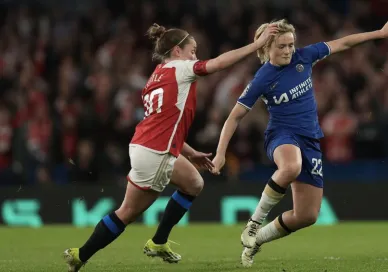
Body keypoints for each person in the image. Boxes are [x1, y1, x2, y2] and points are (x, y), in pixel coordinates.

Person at [63, 22, 279, 271]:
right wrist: (256, 45)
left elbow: (164, 123)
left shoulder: (156, 75)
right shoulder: (181, 68)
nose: (195, 56)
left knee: (194, 183)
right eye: (192, 50)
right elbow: (219, 63)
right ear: (177, 51)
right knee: (128, 212)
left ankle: (158, 241)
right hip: (155, 153)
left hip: (149, 146)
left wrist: (189, 151)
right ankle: (81, 254)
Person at [211, 18, 388, 267]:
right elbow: (234, 116)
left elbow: (343, 43)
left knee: (307, 215)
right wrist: (220, 153)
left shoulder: (305, 57)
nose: (288, 51)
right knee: (290, 167)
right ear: (266, 48)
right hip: (281, 135)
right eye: (281, 46)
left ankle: (257, 239)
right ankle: (253, 224)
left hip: (310, 139)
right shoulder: (263, 77)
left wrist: (380, 32)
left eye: (290, 45)